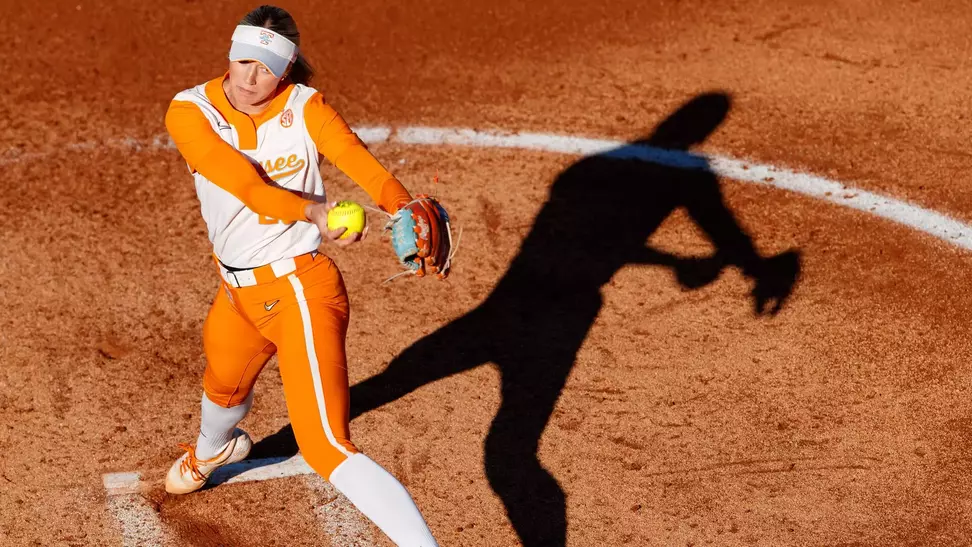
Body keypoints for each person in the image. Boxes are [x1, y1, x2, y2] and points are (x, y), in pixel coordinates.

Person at [162, 5, 438, 546]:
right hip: (238, 292)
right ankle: (213, 451)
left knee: (326, 447)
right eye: (243, 61)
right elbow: (244, 184)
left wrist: (401, 204)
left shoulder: (306, 108)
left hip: (299, 292)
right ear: (231, 53)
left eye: (265, 68)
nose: (250, 78)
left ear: (285, 69)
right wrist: (312, 210)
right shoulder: (190, 111)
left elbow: (358, 161)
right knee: (222, 386)